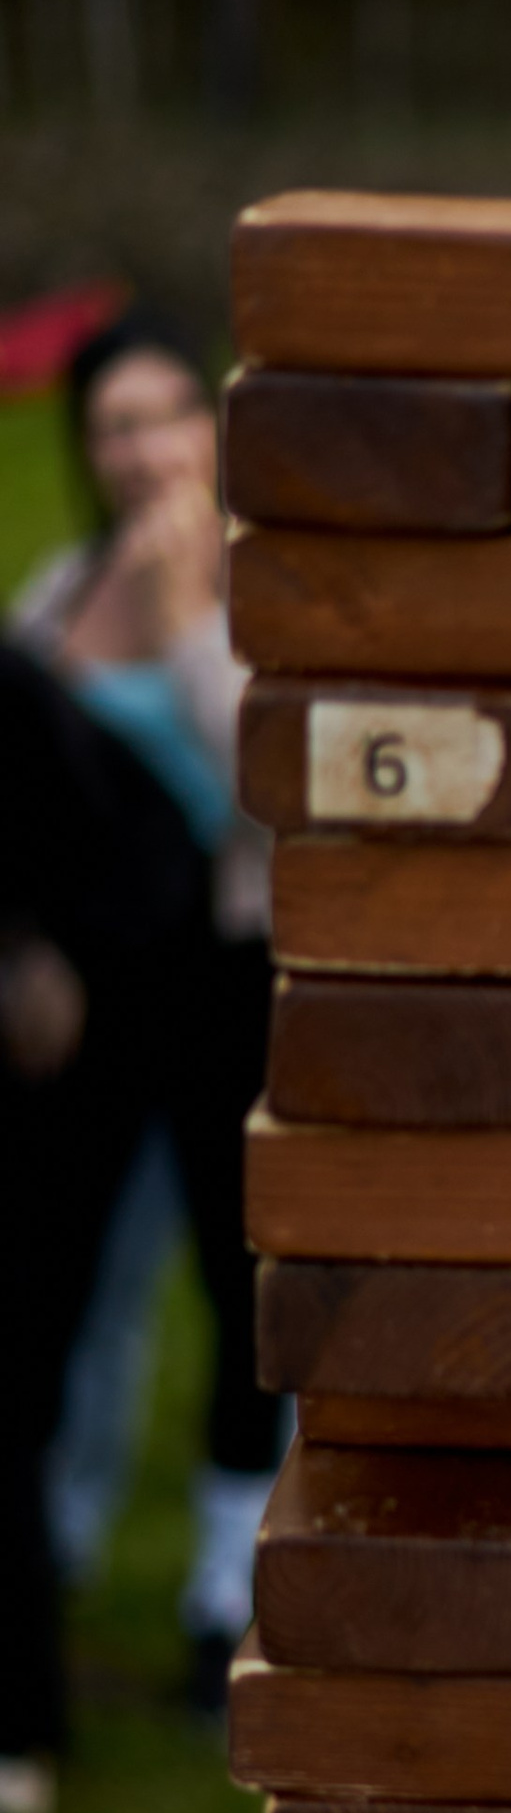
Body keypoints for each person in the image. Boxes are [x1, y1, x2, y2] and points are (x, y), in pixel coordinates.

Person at [13, 306, 282, 1709]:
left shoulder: (266, 585)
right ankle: (45, 1565)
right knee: (81, 1294)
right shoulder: (53, 599)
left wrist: (185, 626)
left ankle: (224, 1597)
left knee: (242, 1297)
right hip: (93, 1006)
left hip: (232, 990)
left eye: (170, 412)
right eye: (115, 423)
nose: (145, 448)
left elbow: (270, 791)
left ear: (218, 424)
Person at [0, 642, 210, 1811]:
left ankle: (22, 1723)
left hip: (78, 1065)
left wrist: (37, 950)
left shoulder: (20, 705)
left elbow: (134, 874)